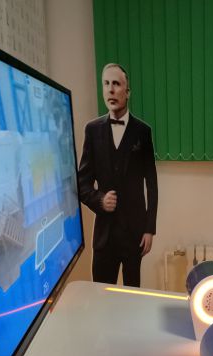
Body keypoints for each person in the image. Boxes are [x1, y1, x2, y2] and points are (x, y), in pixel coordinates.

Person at [78, 63, 158, 287]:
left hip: (134, 234)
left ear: (127, 92)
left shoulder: (143, 132)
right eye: (106, 84)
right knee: (101, 296)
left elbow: (152, 184)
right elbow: (82, 184)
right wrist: (100, 200)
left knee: (133, 296)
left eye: (116, 84)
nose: (111, 90)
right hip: (104, 237)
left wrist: (149, 229)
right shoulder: (92, 130)